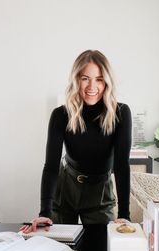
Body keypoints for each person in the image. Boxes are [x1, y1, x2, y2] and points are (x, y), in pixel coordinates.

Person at [21, 49, 132, 233]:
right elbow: (51, 166)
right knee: (57, 247)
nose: (92, 86)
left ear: (107, 82)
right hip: (66, 188)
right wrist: (45, 212)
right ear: (76, 80)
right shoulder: (60, 115)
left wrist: (125, 215)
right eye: (85, 78)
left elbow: (121, 166)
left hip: (100, 192)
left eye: (99, 79)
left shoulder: (121, 113)